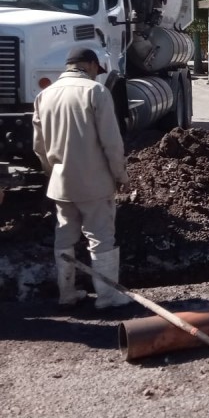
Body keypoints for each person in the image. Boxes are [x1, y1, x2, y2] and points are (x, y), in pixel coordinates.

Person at [32, 46, 131, 308]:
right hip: (94, 183)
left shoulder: (44, 95)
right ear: (88, 65)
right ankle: (108, 297)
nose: (96, 75)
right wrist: (120, 175)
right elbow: (111, 142)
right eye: (95, 70)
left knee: (64, 236)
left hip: (60, 184)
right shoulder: (96, 92)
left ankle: (66, 293)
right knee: (100, 236)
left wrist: (51, 172)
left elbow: (39, 145)